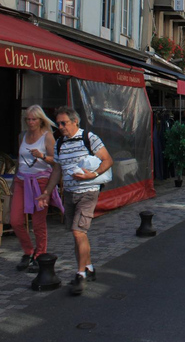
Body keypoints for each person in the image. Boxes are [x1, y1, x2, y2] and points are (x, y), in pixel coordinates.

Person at [37, 106, 114, 296]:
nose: (61, 127)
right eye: (59, 123)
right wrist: (47, 192)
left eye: (64, 123)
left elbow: (107, 160)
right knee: (77, 234)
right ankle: (88, 267)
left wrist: (93, 175)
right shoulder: (60, 143)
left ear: (75, 122)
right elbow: (57, 170)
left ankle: (80, 275)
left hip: (88, 192)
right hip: (70, 193)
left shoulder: (89, 138)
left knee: (78, 231)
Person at [11, 105, 62, 273]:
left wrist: (42, 157)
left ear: (41, 120)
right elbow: (19, 160)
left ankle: (40, 254)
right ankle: (28, 251)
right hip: (22, 180)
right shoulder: (23, 136)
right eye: (28, 119)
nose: (30, 122)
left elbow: (56, 162)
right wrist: (14, 181)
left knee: (38, 222)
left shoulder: (47, 137)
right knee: (15, 220)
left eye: (34, 119)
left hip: (40, 181)